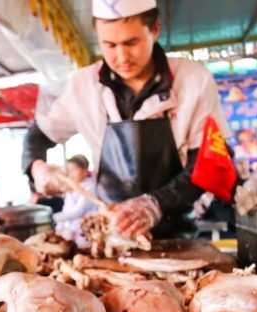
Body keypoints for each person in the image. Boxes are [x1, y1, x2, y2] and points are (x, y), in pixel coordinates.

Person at [21, 0, 232, 239]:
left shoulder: (193, 81)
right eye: (109, 45)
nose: (122, 57)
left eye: (132, 42)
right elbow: (37, 136)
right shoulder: (84, 86)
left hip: (178, 237)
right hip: (110, 236)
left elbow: (207, 164)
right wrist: (38, 169)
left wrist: (154, 204)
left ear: (155, 29)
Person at [53, 155, 97, 243]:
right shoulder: (70, 189)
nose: (71, 173)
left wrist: (51, 218)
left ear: (84, 170)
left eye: (74, 169)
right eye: (69, 170)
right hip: (69, 234)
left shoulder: (90, 187)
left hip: (85, 234)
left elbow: (78, 212)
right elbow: (66, 209)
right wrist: (59, 228)